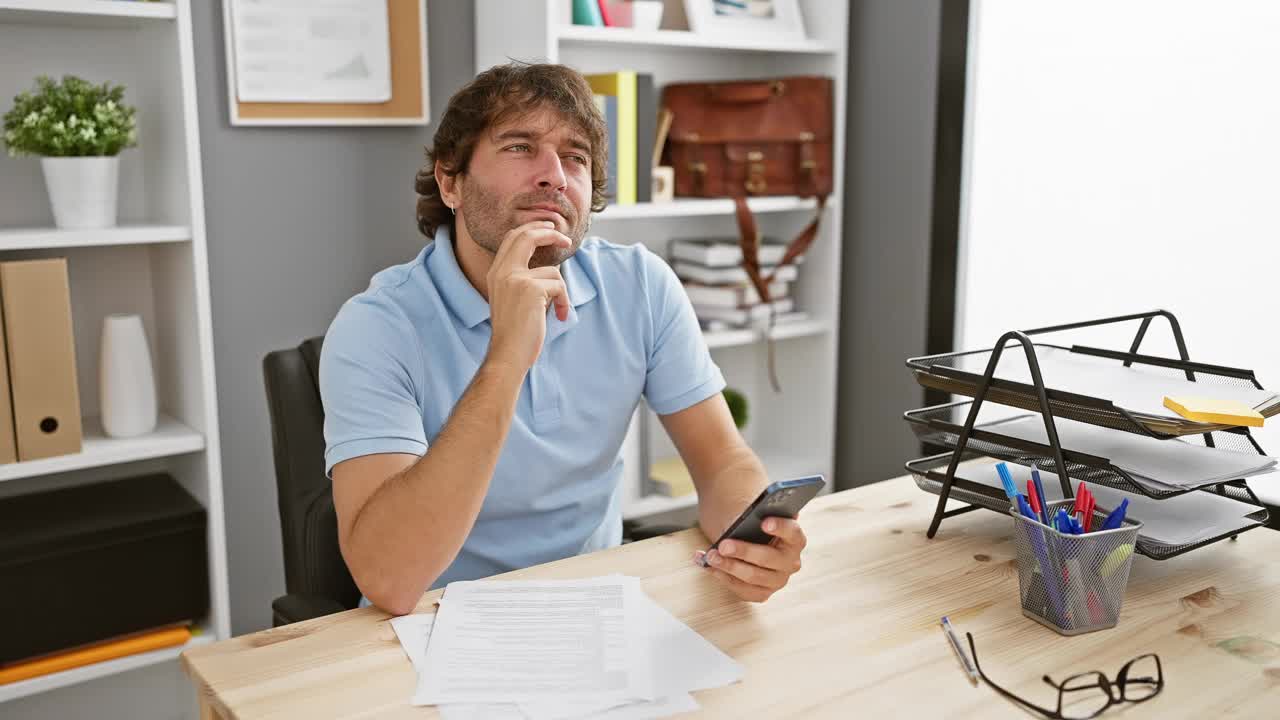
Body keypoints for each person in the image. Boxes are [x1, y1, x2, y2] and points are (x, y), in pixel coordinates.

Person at [319, 62, 809, 615]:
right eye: (520, 147)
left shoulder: (640, 285)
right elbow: (390, 580)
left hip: (594, 607)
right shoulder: (376, 327)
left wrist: (754, 539)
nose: (553, 174)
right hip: (436, 621)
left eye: (575, 157)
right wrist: (507, 355)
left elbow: (723, 463)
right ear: (450, 182)